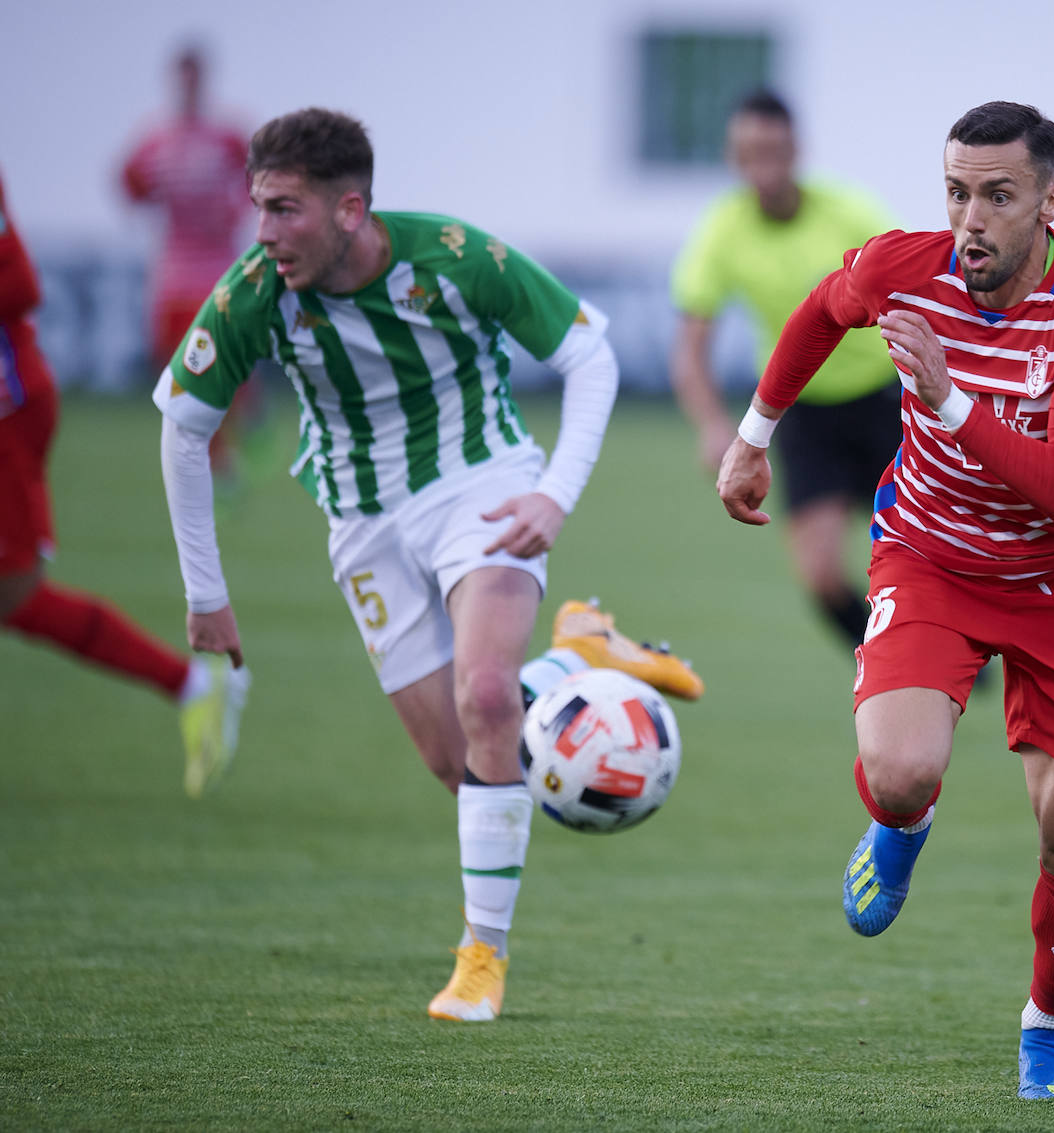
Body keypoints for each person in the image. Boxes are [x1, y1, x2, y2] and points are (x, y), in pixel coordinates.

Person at [153, 108, 702, 1024]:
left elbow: (590, 356)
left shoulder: (455, 257)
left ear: (350, 208)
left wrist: (554, 493)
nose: (264, 232)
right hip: (362, 523)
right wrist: (205, 596)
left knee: (486, 699)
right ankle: (580, 658)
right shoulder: (258, 289)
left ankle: (480, 962)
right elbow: (183, 425)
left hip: (478, 485)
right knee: (462, 762)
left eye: (285, 210)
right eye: (260, 208)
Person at [717, 102, 1054, 1100]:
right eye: (958, 192)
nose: (972, 220)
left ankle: (1048, 1024)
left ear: (1051, 200)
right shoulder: (904, 265)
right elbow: (825, 309)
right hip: (930, 559)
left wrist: (951, 397)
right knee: (902, 769)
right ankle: (900, 826)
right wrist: (754, 432)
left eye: (999, 196)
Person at [0, 171, 249, 798]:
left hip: (6, 405)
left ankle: (190, 683)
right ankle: (189, 685)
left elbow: (20, 283)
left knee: (14, 592)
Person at [671, 89, 900, 647]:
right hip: (803, 415)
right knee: (820, 574)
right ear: (733, 157)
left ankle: (945, 656)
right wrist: (711, 427)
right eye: (750, 152)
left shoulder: (850, 212)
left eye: (773, 149)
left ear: (796, 150)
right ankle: (887, 666)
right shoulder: (723, 230)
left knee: (919, 557)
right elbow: (691, 346)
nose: (763, 163)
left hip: (882, 402)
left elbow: (910, 294)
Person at [121, 44, 259, 480]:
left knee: (214, 362)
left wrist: (233, 211)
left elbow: (258, 183)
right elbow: (129, 183)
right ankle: (206, 451)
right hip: (172, 274)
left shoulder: (228, 137)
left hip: (215, 271)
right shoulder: (154, 140)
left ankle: (221, 454)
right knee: (179, 369)